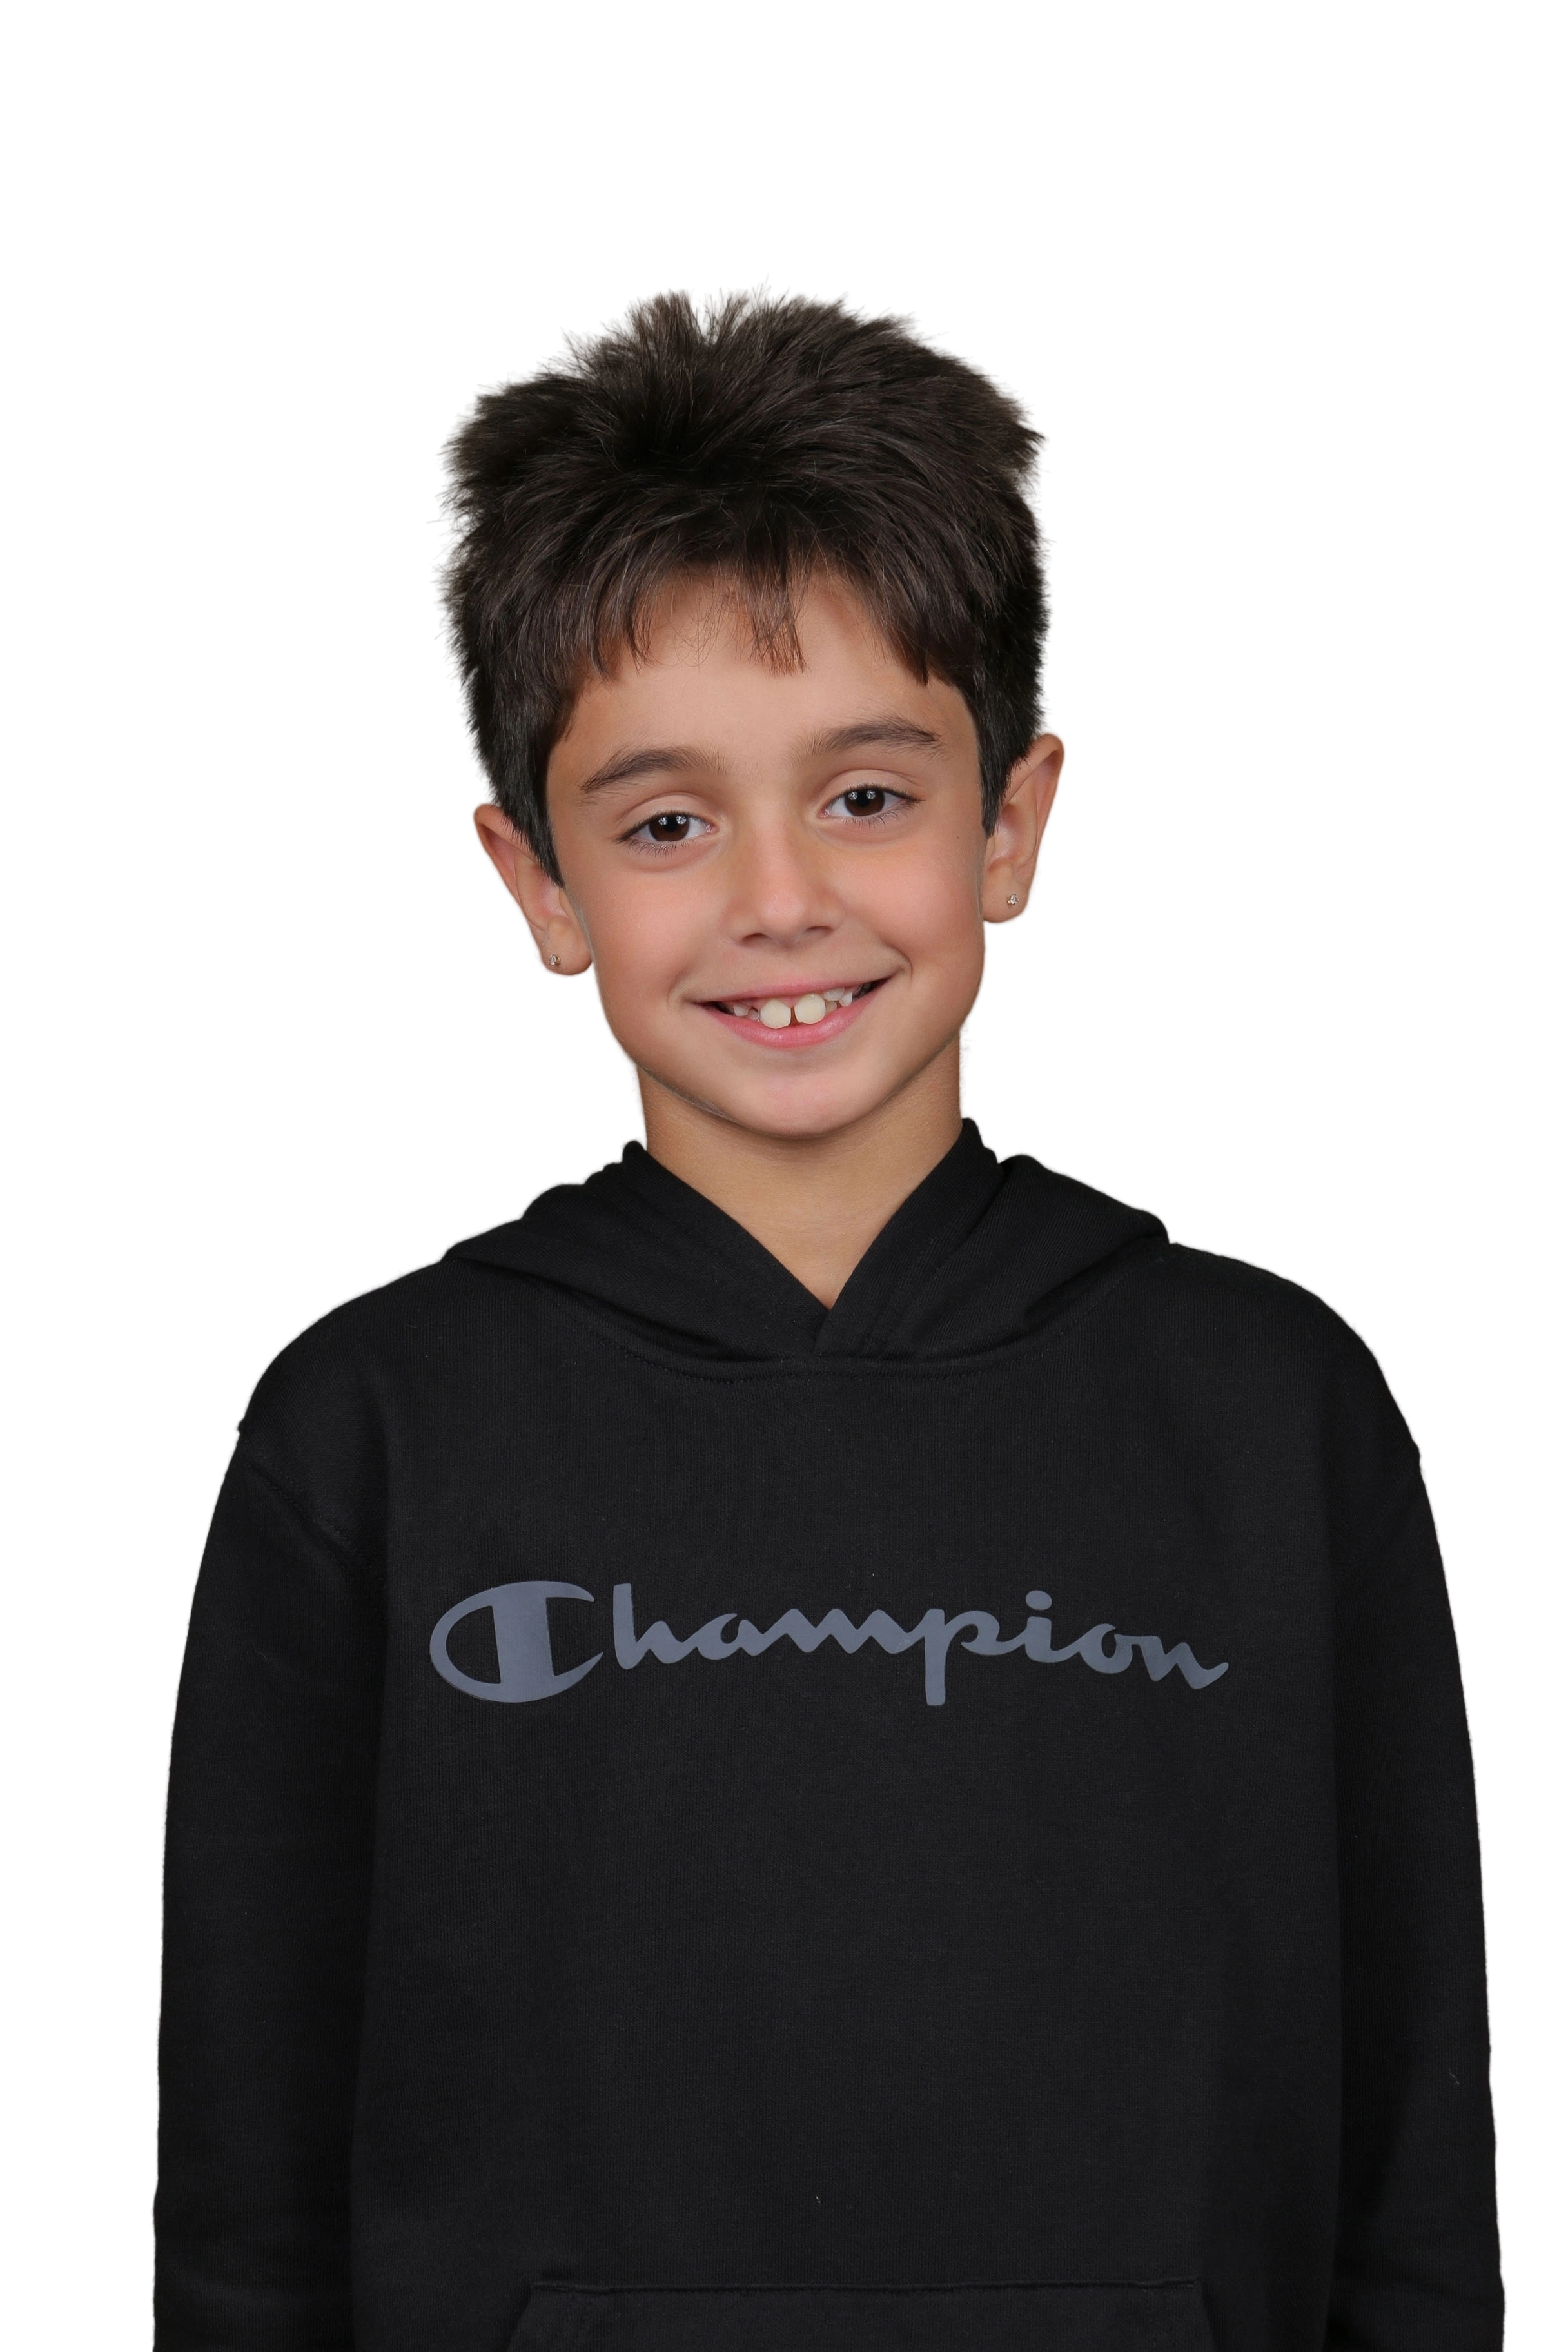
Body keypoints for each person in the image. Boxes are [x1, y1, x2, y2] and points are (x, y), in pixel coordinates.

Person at [153, 280, 1504, 2352]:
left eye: (866, 794)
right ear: (538, 884)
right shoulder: (371, 1431)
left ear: (1014, 824)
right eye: (666, 822)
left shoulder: (1274, 1407)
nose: (778, 900)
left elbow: (1413, 2169)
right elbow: (247, 2204)